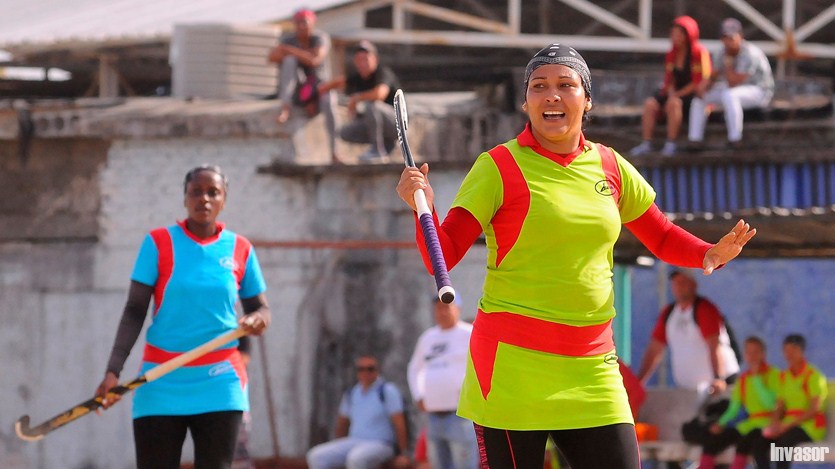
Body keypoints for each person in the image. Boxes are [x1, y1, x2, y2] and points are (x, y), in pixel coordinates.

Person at [395, 43, 756, 469]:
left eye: (566, 85)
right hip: (513, 368)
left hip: (593, 368)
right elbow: (444, 253)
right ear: (526, 102)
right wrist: (424, 208)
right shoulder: (497, 167)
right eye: (539, 86)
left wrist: (706, 253)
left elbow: (659, 234)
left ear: (587, 100)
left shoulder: (611, 166)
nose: (552, 95)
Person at [95, 165, 271, 469]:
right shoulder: (158, 243)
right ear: (185, 198)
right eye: (196, 191)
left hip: (220, 381)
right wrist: (113, 371)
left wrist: (259, 320)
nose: (204, 198)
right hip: (161, 379)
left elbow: (260, 307)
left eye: (213, 192)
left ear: (223, 200)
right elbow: (134, 311)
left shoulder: (241, 248)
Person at [636, 269, 740, 394]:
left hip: (718, 387)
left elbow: (715, 346)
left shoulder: (705, 309)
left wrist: (718, 378)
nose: (679, 287)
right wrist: (638, 383)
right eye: (675, 283)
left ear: (693, 284)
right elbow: (654, 350)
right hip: (690, 390)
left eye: (683, 282)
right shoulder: (669, 313)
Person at [407, 297, 478, 469]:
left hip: (460, 416)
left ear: (458, 309)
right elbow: (414, 368)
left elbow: (483, 366)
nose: (442, 312)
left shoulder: (469, 333)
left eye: (447, 307)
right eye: (438, 308)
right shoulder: (428, 337)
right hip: (434, 416)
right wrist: (419, 395)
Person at [306, 355, 411, 469]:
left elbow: (399, 424)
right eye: (361, 369)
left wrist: (402, 454)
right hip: (354, 441)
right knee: (315, 456)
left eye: (370, 369)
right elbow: (342, 423)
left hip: (381, 444)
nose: (365, 372)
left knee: (356, 459)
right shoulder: (352, 393)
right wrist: (340, 445)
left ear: (377, 371)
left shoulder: (387, 391)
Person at [630, 16, 711, 157]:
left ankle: (671, 143)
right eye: (672, 33)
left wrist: (677, 95)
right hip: (674, 91)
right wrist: (670, 91)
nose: (674, 37)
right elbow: (669, 77)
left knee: (674, 103)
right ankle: (647, 143)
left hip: (689, 94)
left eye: (678, 34)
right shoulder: (671, 54)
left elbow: (699, 81)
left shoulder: (698, 52)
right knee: (650, 104)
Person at [687, 18, 774, 149]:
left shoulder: (750, 53)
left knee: (730, 95)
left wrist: (728, 64)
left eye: (731, 38)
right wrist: (703, 86)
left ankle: (735, 139)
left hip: (759, 91)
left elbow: (734, 81)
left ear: (740, 36)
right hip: (734, 89)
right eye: (725, 38)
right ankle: (694, 139)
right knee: (699, 99)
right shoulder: (721, 52)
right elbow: (713, 76)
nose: (728, 42)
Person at [269, 8, 340, 163]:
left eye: (304, 22)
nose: (302, 26)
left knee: (330, 102)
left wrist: (290, 51)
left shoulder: (319, 38)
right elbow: (272, 57)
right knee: (289, 62)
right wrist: (291, 53)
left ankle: (335, 151)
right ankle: (285, 106)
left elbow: (315, 60)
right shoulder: (289, 39)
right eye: (298, 23)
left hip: (318, 88)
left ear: (312, 23)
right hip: (298, 91)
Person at [699, 336, 780, 469]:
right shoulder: (743, 379)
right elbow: (733, 409)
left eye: (756, 352)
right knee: (712, 442)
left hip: (768, 423)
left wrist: (756, 379)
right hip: (749, 424)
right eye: (749, 352)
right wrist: (721, 423)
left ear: (763, 353)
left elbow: (771, 404)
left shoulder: (774, 374)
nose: (752, 356)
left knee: (745, 444)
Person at [753, 334, 828, 469]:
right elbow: (779, 406)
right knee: (759, 445)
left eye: (793, 350)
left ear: (802, 351)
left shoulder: (813, 376)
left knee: (782, 446)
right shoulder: (784, 377)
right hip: (787, 425)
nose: (789, 354)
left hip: (809, 426)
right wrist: (775, 423)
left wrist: (786, 426)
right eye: (786, 350)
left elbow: (813, 409)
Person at [319, 40, 401, 162]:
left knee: (372, 106)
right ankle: (385, 146)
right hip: (380, 127)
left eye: (366, 59)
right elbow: (338, 82)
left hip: (397, 125)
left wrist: (356, 99)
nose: (363, 64)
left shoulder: (382, 73)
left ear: (375, 59)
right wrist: (319, 90)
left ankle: (377, 149)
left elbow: (379, 94)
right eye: (359, 60)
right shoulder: (358, 77)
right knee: (344, 132)